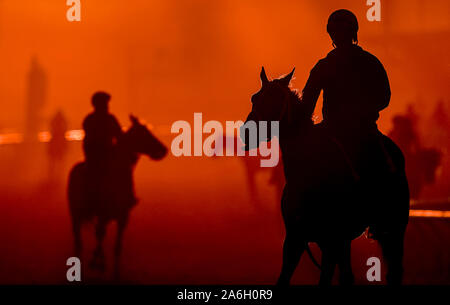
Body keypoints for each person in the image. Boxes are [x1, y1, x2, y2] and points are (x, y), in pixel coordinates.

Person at [299, 9, 392, 179]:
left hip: (348, 131)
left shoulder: (324, 66)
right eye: (337, 32)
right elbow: (384, 96)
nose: (339, 36)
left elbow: (306, 106)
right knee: (387, 169)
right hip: (362, 132)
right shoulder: (370, 62)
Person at [82, 91, 123, 171]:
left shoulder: (110, 118)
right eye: (105, 103)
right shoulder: (90, 120)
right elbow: (90, 140)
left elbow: (119, 135)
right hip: (94, 155)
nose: (107, 106)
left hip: (109, 153)